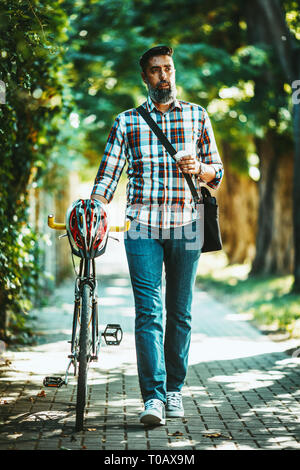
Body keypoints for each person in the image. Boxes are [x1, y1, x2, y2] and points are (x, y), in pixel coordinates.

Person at [91, 45, 223, 425]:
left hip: (187, 224)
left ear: (174, 71)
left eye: (168, 68)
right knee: (148, 312)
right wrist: (95, 206)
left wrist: (200, 168)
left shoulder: (197, 116)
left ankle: (175, 391)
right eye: (155, 70)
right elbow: (108, 175)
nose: (163, 76)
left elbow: (218, 170)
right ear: (144, 76)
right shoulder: (127, 122)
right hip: (142, 227)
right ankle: (153, 398)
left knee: (180, 313)